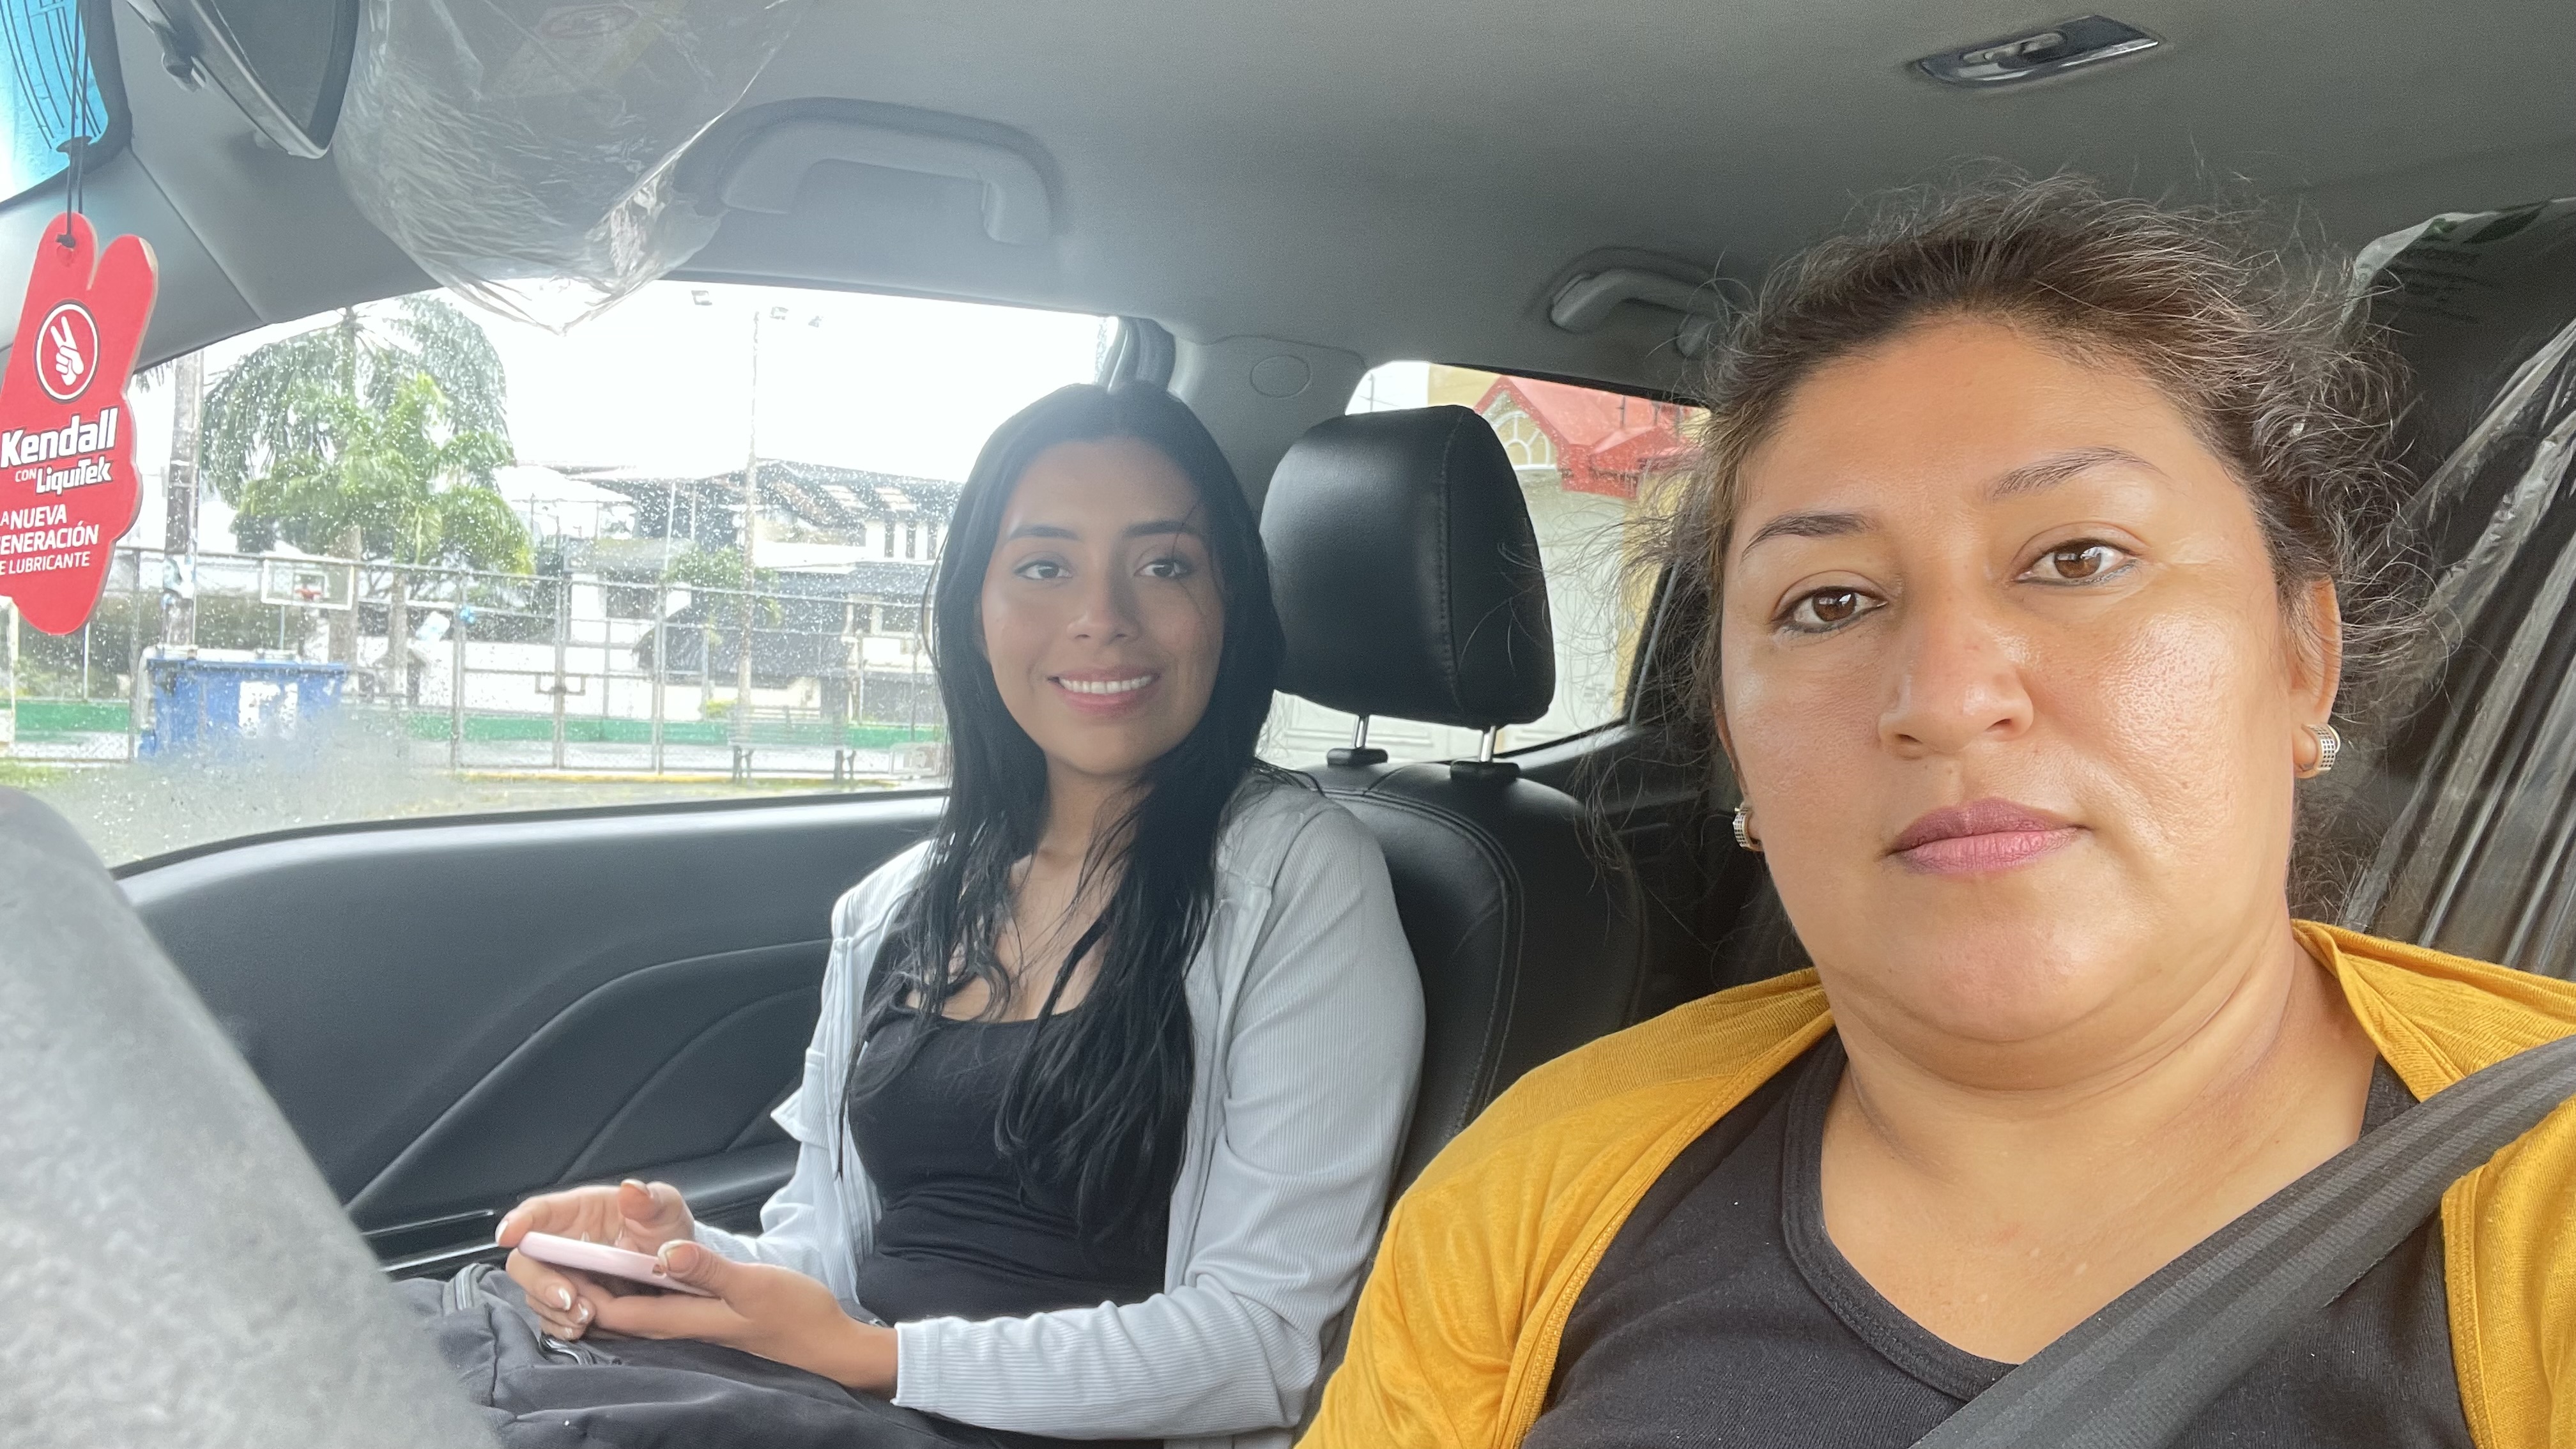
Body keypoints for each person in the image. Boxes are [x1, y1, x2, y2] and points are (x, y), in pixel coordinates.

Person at [1303, 177, 2576, 1449]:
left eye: (2077, 558)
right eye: (1830, 603)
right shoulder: (1530, 1186)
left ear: (2303, 658)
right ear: (1737, 746)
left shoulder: (2545, 1196)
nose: (1949, 700)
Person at [487, 382, 1424, 1448]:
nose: (1103, 616)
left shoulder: (1299, 879)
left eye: (1165, 566)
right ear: (975, 613)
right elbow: (833, 1266)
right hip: (845, 1405)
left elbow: (1262, 1343)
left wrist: (876, 1359)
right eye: (1044, 567)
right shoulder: (895, 906)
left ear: (1231, 606)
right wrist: (676, 1258)